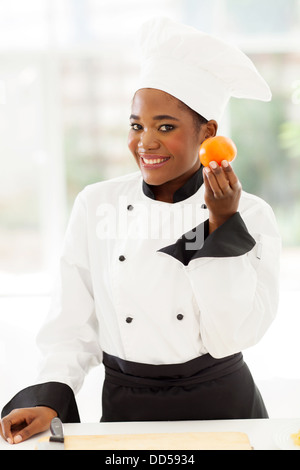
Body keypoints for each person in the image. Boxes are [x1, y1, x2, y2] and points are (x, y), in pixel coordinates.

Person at [1, 17, 281, 445]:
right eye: (137, 126)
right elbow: (71, 322)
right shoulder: (96, 205)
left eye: (165, 127)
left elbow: (232, 336)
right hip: (128, 407)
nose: (145, 142)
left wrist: (222, 225)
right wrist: (50, 396)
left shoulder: (252, 215)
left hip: (223, 408)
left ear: (207, 134)